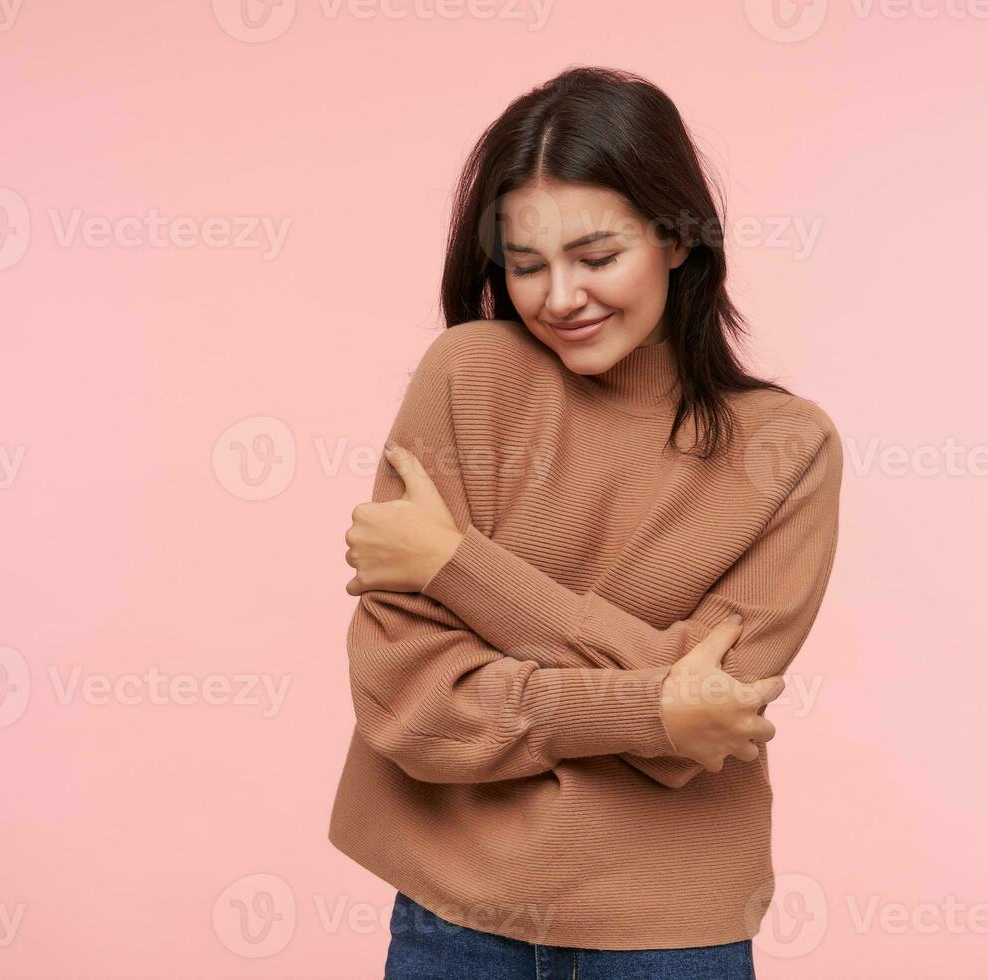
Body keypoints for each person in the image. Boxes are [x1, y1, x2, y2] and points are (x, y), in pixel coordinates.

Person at [328, 64, 843, 979]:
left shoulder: (787, 448)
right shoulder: (467, 377)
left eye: (596, 257)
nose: (558, 297)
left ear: (678, 239)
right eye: (526, 265)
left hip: (671, 932)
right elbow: (408, 701)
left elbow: (716, 715)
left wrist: (456, 566)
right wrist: (652, 708)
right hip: (455, 919)